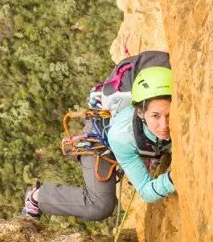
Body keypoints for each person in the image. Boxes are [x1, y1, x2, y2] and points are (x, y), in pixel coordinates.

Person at [23, 66, 176, 220]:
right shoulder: (122, 136)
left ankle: (151, 151)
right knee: (99, 206)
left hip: (137, 135)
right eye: (156, 116)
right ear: (140, 112)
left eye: (169, 115)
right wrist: (174, 178)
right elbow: (146, 191)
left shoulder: (160, 107)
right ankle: (38, 198)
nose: (164, 125)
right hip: (101, 142)